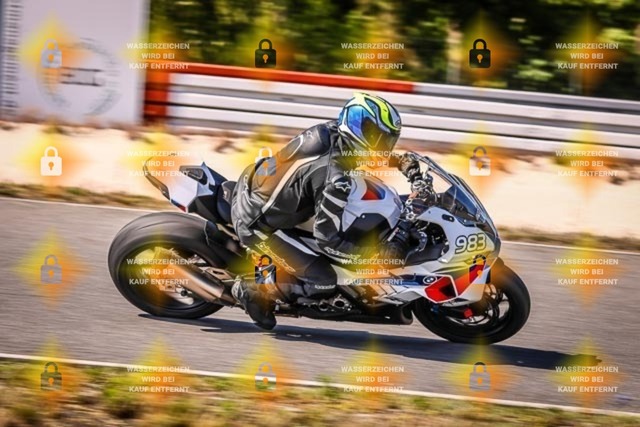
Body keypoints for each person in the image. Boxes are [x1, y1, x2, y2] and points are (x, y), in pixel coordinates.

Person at [230, 93, 421, 329]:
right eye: (381, 139)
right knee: (324, 280)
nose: (385, 147)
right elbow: (328, 241)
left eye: (389, 141)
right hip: (258, 225)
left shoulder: (332, 131)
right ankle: (253, 289)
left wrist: (399, 162)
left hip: (257, 186)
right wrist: (375, 257)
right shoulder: (335, 179)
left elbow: (359, 156)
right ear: (362, 131)